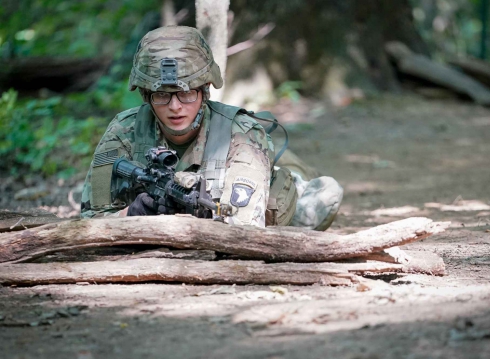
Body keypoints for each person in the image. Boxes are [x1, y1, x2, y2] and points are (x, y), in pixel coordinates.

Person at [80, 26, 342, 230]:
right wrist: (132, 215)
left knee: (324, 195)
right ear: (146, 96)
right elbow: (90, 222)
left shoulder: (243, 133)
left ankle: (293, 174)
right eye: (161, 95)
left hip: (259, 203)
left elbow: (244, 231)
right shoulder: (123, 131)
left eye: (186, 94)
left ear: (204, 92)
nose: (175, 107)